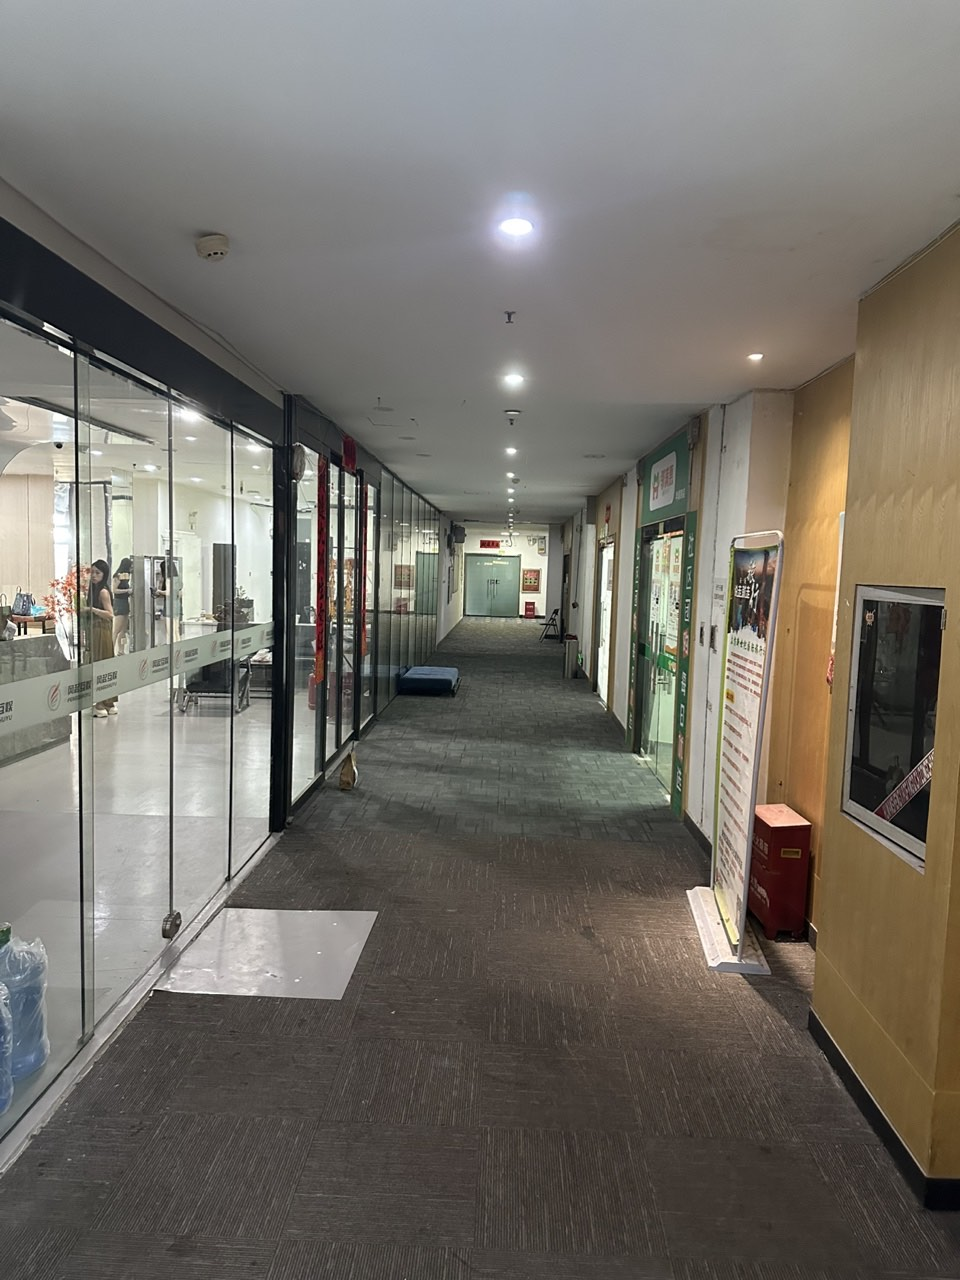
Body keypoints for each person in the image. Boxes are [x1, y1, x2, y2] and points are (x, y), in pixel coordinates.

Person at [86, 560, 117, 717]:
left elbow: (110, 614)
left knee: (100, 663)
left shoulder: (103, 592)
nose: (94, 575)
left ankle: (101, 702)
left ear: (104, 575)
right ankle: (108, 702)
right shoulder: (96, 590)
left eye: (97, 573)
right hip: (99, 630)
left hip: (100, 630)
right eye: (92, 572)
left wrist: (92, 610)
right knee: (104, 663)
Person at [112, 557, 132, 654]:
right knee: (116, 630)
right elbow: (114, 590)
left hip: (125, 602)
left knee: (123, 629)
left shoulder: (126, 577)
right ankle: (111, 650)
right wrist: (127, 591)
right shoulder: (117, 576)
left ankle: (121, 650)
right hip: (119, 602)